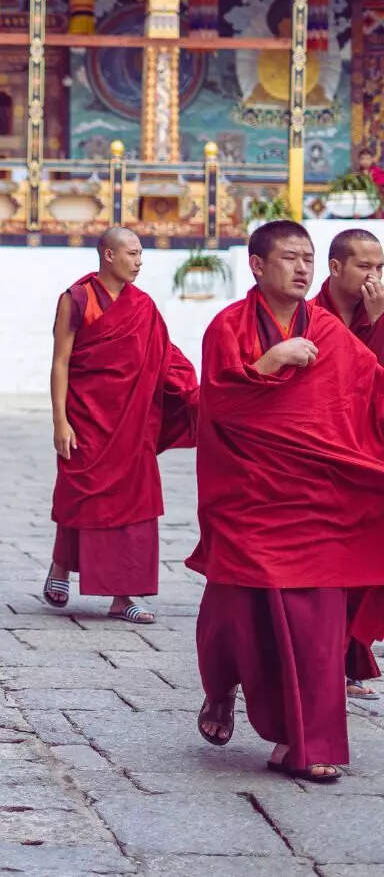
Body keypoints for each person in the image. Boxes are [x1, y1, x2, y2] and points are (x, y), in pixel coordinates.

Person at [191, 220, 384, 782]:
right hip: (249, 498)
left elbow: (370, 389)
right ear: (256, 265)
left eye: (307, 259)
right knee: (237, 618)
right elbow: (219, 406)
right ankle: (222, 688)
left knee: (318, 624)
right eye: (290, 258)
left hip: (316, 505)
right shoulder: (226, 326)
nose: (302, 269)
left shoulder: (326, 328)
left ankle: (309, 744)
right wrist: (270, 364)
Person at [44, 227, 198, 625]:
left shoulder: (143, 306)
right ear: (108, 255)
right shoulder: (76, 300)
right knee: (82, 493)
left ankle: (123, 595)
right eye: (132, 253)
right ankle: (61, 567)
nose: (139, 261)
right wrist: (60, 420)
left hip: (133, 422)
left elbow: (163, 354)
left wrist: (193, 390)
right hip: (87, 416)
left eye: (141, 254)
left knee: (133, 504)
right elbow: (61, 361)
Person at [315, 228, 384, 699]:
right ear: (336, 267)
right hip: (322, 450)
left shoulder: (377, 312)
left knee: (366, 557)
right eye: (364, 266)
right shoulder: (310, 313)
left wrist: (379, 323)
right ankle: (324, 657)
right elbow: (342, 379)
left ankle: (353, 653)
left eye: (379, 268)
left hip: (372, 451)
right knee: (325, 560)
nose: (373, 277)